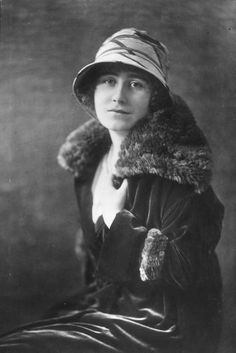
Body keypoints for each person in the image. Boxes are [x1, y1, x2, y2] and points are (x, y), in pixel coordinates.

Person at [0, 28, 224, 353]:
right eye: (108, 80)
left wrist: (117, 220)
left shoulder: (176, 170)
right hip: (111, 308)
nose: (118, 96)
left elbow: (189, 272)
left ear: (155, 99)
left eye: (136, 84)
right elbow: (98, 268)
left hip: (166, 325)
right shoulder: (87, 165)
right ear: (92, 91)